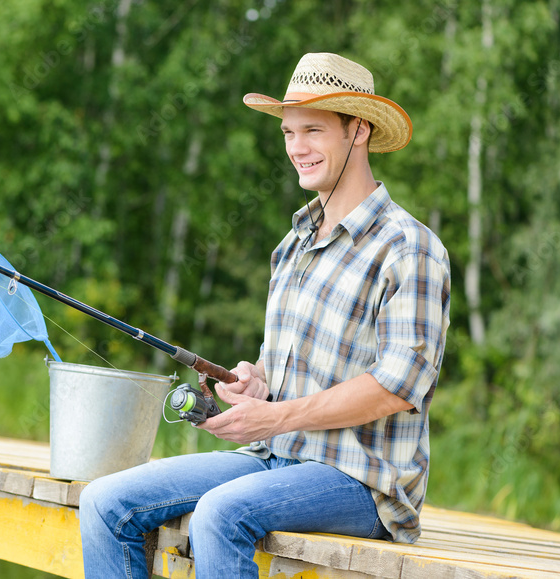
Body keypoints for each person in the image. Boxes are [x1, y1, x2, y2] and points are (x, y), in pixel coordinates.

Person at [78, 52, 451, 578]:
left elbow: (396, 386)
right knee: (103, 501)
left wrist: (275, 417)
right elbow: (282, 378)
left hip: (363, 483)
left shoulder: (410, 248)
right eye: (289, 132)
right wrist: (257, 385)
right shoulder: (292, 245)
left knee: (221, 514)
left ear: (359, 130)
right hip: (272, 459)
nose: (297, 148)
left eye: (313, 130)